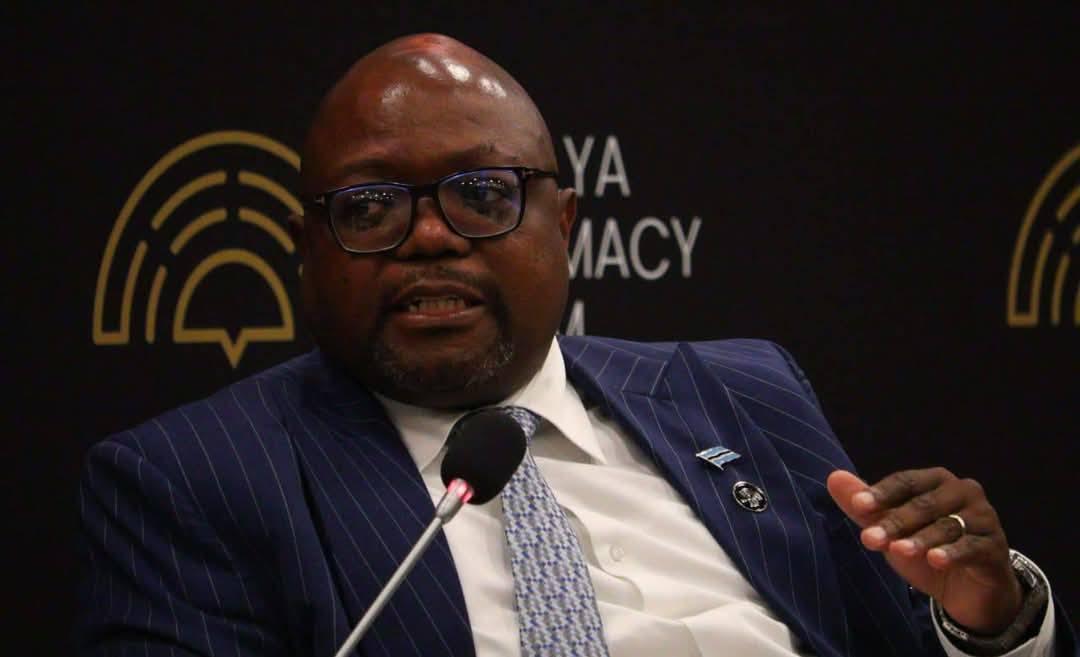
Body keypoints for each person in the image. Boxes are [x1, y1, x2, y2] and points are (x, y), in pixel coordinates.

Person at [78, 34, 1074, 657]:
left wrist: (988, 625)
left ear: (564, 227)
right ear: (308, 251)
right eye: (372, 206)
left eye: (482, 193)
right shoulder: (193, 481)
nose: (431, 237)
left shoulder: (743, 389)